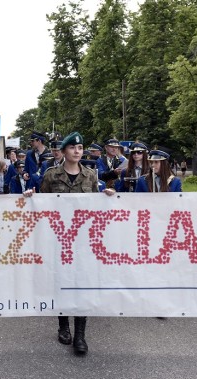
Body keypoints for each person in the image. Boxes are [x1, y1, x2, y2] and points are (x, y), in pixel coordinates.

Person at [23, 131, 115, 355]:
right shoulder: (52, 175)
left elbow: (95, 204)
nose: (77, 151)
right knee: (61, 282)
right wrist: (29, 197)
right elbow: (43, 204)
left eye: (80, 148)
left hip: (84, 240)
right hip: (59, 239)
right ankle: (63, 326)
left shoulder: (91, 176)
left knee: (82, 284)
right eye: (73, 148)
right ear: (64, 151)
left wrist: (109, 196)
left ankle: (81, 335)